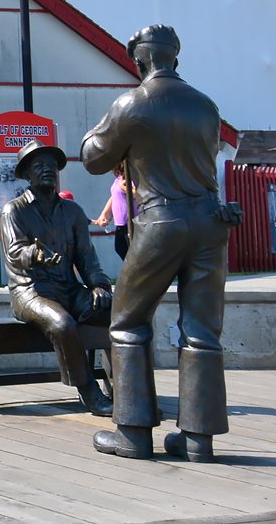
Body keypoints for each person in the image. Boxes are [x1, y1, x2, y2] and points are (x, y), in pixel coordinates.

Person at [82, 24, 241, 463]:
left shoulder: (132, 103)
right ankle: (198, 439)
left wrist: (102, 127)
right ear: (176, 57)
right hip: (209, 221)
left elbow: (94, 159)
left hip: (161, 220)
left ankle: (132, 433)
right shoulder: (206, 106)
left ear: (139, 60)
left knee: (128, 323)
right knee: (203, 331)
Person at [0, 141, 114, 416]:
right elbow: (14, 253)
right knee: (62, 323)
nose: (47, 170)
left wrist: (99, 285)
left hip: (69, 290)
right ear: (27, 174)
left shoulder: (73, 212)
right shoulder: (14, 211)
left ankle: (130, 389)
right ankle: (89, 391)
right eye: (39, 166)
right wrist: (34, 254)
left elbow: (87, 257)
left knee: (124, 315)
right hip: (30, 292)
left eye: (51, 166)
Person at [92, 166, 136, 260]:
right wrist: (104, 214)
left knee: (131, 254)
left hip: (131, 223)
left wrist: (124, 187)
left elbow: (136, 194)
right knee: (120, 249)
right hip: (121, 224)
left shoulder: (131, 176)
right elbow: (114, 196)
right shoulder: (119, 178)